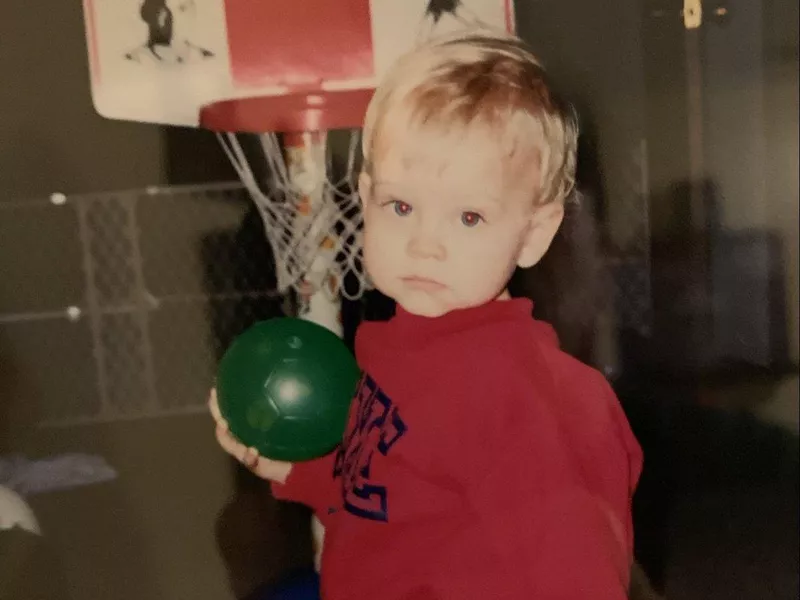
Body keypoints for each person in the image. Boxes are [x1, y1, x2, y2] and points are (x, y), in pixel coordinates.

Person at [211, 30, 643, 599]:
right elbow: (388, 492)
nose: (424, 244)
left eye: (468, 217)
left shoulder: (527, 404)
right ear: (364, 199)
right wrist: (295, 469)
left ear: (534, 233)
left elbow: (578, 576)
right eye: (402, 206)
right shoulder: (405, 347)